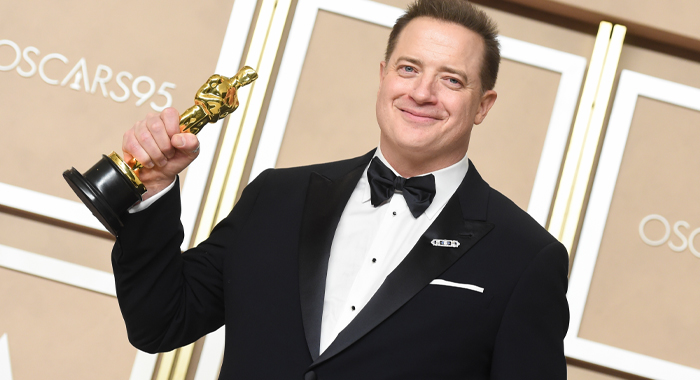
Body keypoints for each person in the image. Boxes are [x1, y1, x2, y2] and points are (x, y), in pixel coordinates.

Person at [112, 0, 570, 379]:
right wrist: (153, 189)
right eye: (409, 68)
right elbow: (161, 321)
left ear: (482, 106)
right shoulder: (277, 198)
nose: (423, 92)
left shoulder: (526, 258)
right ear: (383, 75)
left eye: (451, 79)